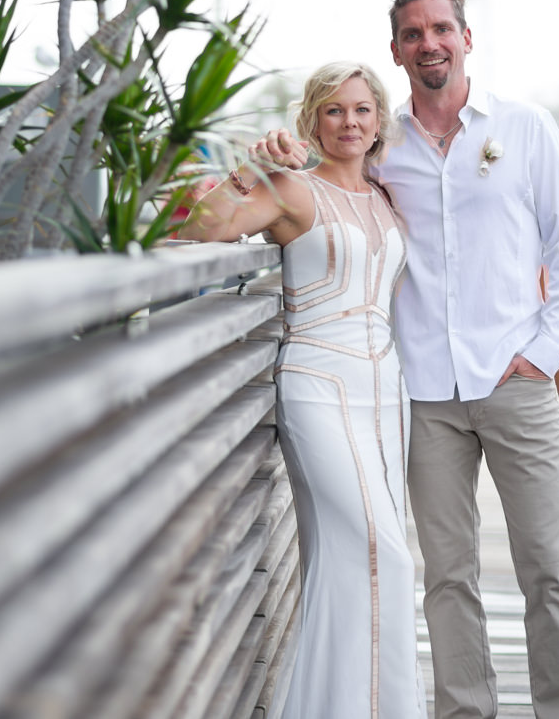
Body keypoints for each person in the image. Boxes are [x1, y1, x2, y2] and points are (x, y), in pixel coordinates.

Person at [257, 0, 559, 718]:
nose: (429, 44)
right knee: (447, 574)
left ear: (466, 38)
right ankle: (463, 712)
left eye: (441, 29)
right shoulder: (382, 148)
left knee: (546, 564)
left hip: (514, 378)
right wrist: (277, 154)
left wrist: (544, 352)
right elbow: (327, 188)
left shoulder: (526, 127)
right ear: (396, 51)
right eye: (412, 34)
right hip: (420, 393)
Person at [177, 62, 426, 719]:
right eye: (334, 110)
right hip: (318, 385)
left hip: (384, 393)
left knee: (351, 562)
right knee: (386, 555)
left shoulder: (385, 198)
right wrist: (246, 174)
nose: (349, 122)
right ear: (312, 120)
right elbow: (200, 226)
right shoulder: (291, 189)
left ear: (379, 121)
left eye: (362, 109)